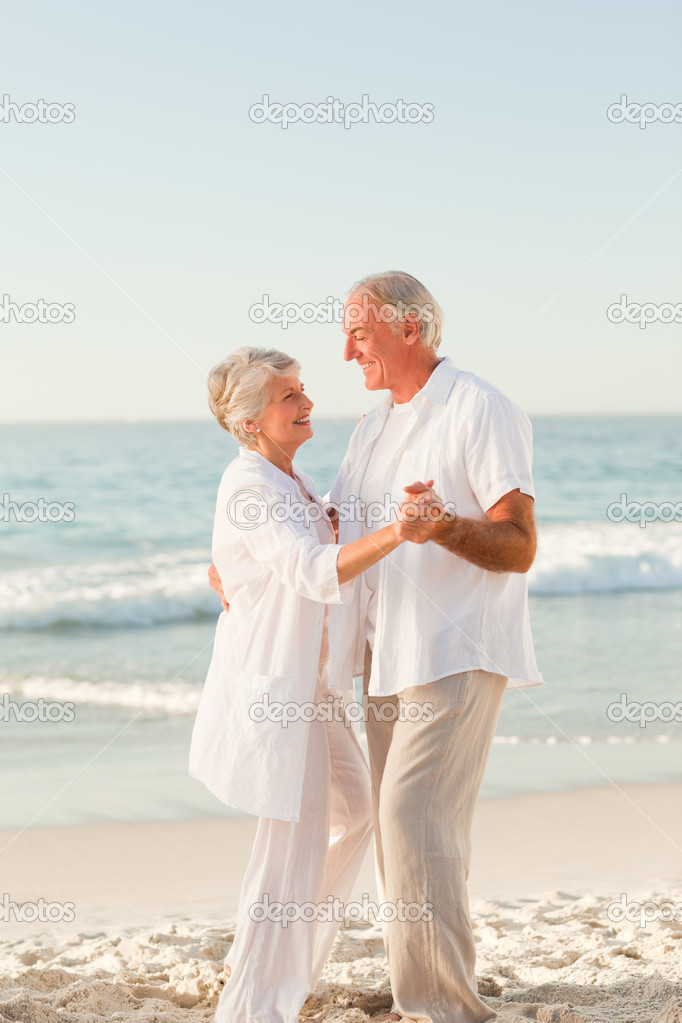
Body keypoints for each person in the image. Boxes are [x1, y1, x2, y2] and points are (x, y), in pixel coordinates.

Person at [211, 272, 545, 1023]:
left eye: (358, 333)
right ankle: (422, 991)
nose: (345, 350)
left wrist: (441, 527)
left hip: (454, 649)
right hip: (384, 659)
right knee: (402, 835)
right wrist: (235, 556)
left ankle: (441, 1007)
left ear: (410, 330)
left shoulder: (479, 408)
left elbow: (519, 544)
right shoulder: (372, 427)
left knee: (413, 821)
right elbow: (322, 526)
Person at [189, 345, 434, 1023]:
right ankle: (255, 1005)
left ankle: (276, 960)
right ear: (249, 423)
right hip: (280, 693)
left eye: (302, 389)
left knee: (358, 812)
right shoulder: (250, 486)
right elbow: (311, 570)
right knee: (287, 852)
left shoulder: (286, 480)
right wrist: (398, 532)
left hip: (314, 690)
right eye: (288, 396)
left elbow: (307, 535)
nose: (306, 403)